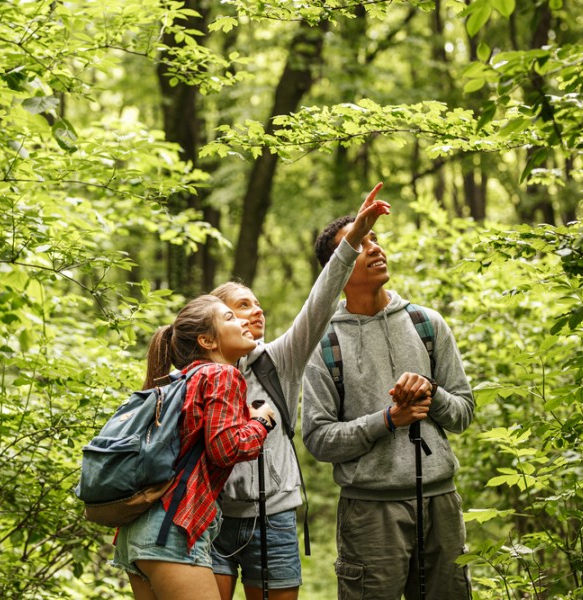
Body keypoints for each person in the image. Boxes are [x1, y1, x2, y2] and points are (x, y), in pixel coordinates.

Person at [210, 183, 391, 600]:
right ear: (214, 322)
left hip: (272, 518)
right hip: (210, 516)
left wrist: (356, 234)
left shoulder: (280, 360)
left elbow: (322, 301)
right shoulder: (199, 374)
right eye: (241, 305)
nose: (256, 311)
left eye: (258, 304)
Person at [302, 216, 475, 599]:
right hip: (370, 514)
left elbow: (463, 412)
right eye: (361, 243)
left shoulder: (427, 324)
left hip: (440, 505)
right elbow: (317, 439)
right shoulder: (324, 341)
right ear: (339, 266)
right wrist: (386, 421)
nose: (376, 248)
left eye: (376, 239)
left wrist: (431, 393)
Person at [112, 294, 277, 600]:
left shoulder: (182, 378)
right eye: (229, 318)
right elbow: (224, 449)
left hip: (139, 530)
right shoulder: (222, 374)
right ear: (207, 341)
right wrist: (260, 424)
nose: (242, 322)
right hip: (171, 530)